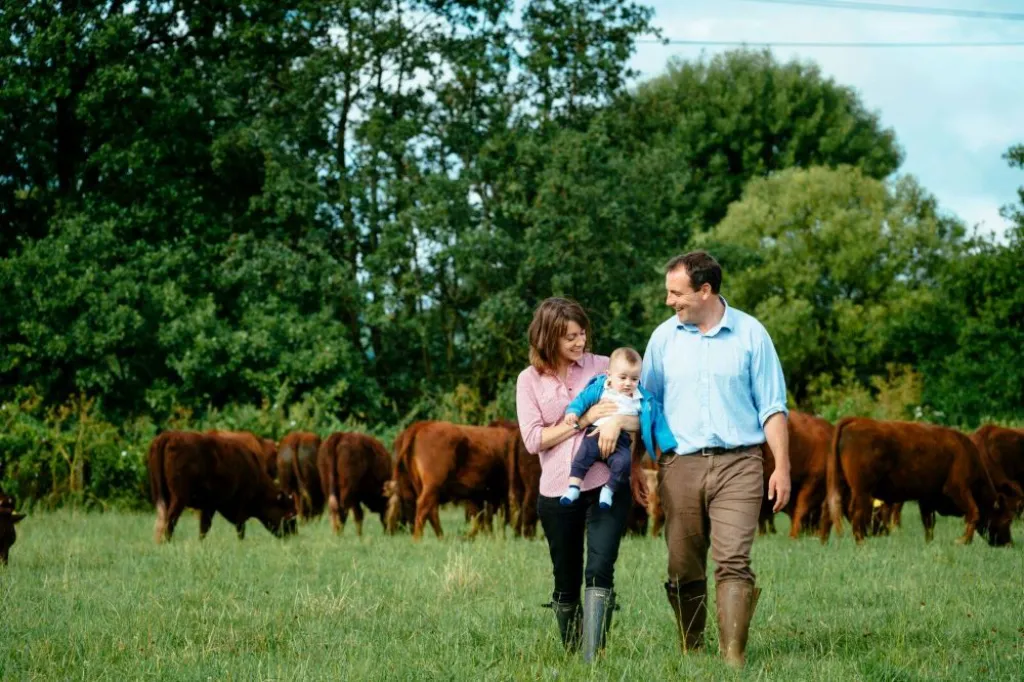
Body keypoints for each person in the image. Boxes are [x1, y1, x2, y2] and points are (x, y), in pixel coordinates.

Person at [633, 250, 791, 668]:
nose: (669, 301)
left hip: (740, 463)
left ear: (705, 290)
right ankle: (692, 645)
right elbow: (646, 404)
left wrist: (783, 468)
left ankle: (733, 657)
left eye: (676, 292)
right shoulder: (663, 339)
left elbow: (773, 407)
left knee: (734, 560)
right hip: (679, 466)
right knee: (683, 566)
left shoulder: (752, 335)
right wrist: (636, 463)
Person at [515, 297, 637, 663]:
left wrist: (617, 422)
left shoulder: (605, 366)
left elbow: (637, 412)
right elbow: (534, 439)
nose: (580, 342)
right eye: (570, 336)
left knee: (599, 567)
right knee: (565, 580)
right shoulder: (528, 380)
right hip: (556, 489)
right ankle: (571, 653)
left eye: (582, 333)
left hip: (605, 483)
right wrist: (583, 422)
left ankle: (592, 658)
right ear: (548, 337)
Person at [561, 347, 678, 510]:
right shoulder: (601, 388)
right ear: (609, 375)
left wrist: (666, 443)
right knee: (582, 456)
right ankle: (573, 487)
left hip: (621, 442)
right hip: (594, 434)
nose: (628, 383)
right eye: (623, 377)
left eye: (634, 379)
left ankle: (608, 490)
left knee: (623, 463)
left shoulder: (642, 398)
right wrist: (573, 412)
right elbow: (582, 399)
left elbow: (656, 420)